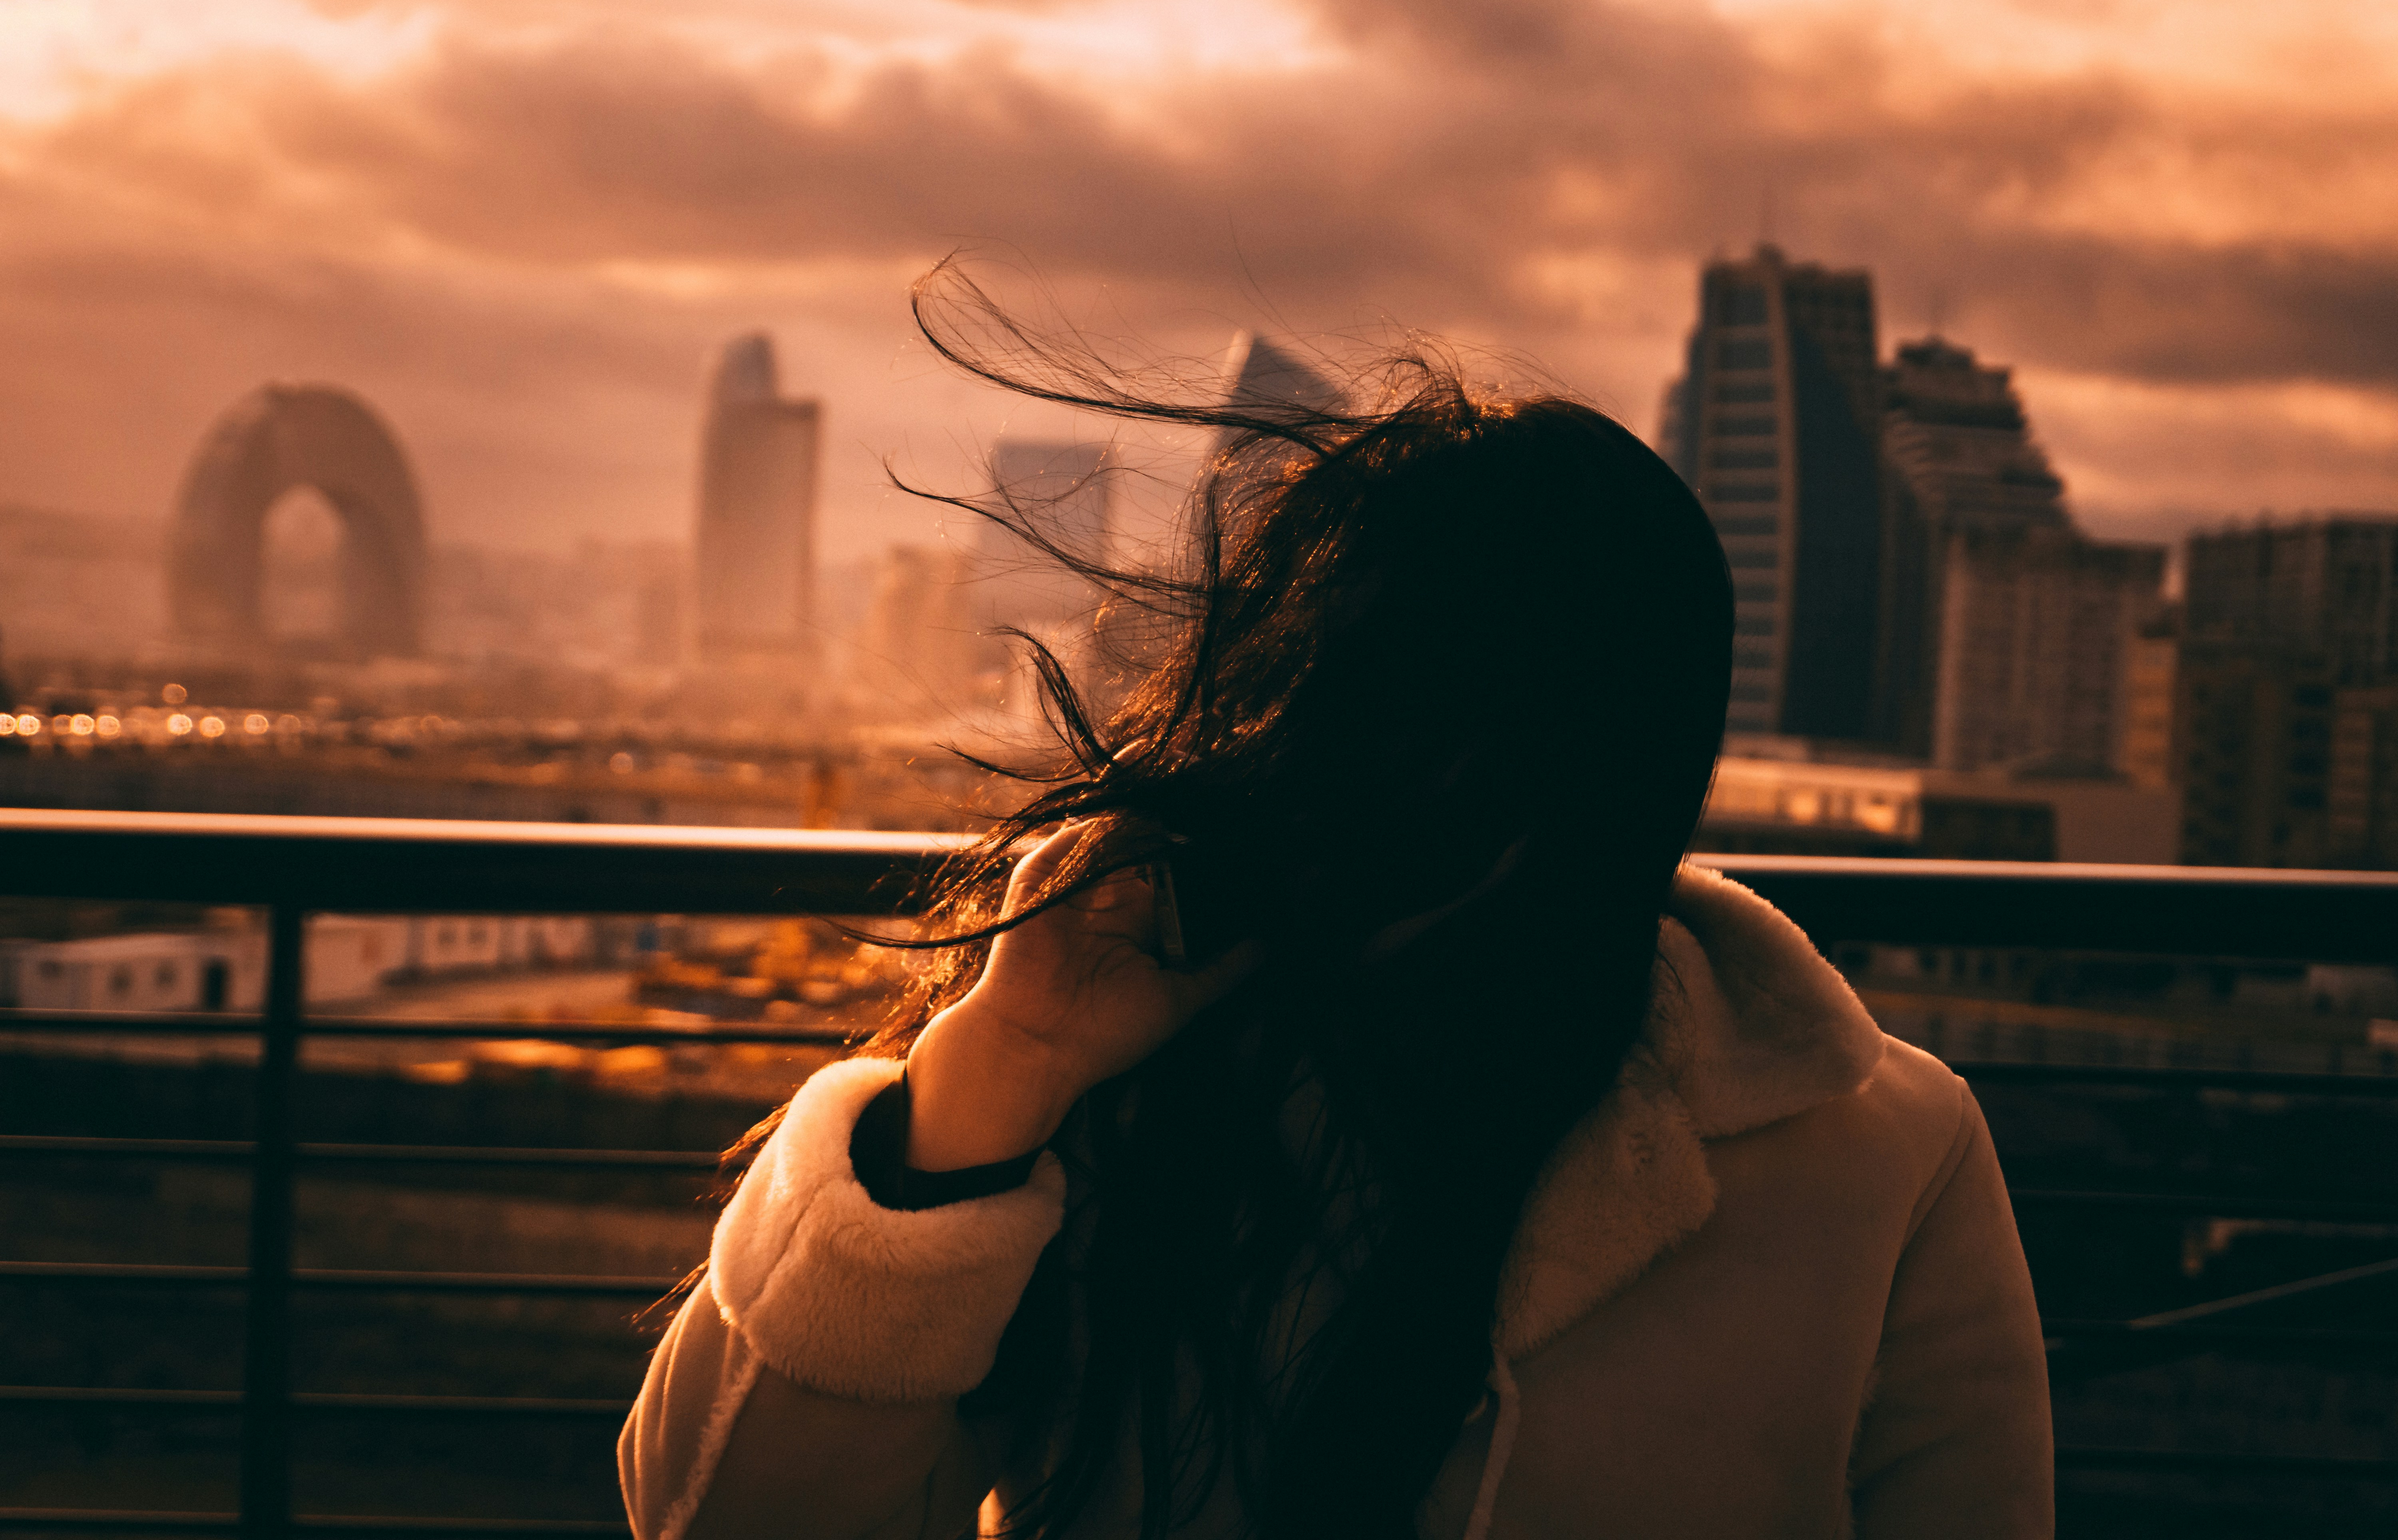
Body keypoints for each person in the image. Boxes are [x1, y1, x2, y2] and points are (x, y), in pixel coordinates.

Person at [620, 273, 2053, 1540]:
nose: (1395, 829)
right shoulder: (1132, 1063)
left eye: (1481, 770)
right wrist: (1000, 1064)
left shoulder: (1881, 1161)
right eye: (1353, 746)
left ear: (1612, 783)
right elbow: (716, 1513)